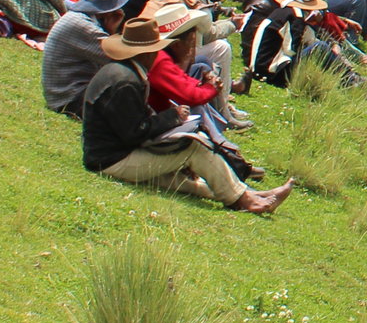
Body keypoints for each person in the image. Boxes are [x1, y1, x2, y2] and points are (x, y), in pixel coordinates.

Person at [79, 15, 290, 214]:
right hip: (112, 160)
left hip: (108, 156)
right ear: (145, 53)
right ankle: (245, 200)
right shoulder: (125, 82)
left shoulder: (123, 71)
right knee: (193, 148)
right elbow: (135, 132)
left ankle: (247, 195)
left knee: (185, 184)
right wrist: (173, 118)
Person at [43, 0, 128, 115]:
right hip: (70, 100)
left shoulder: (82, 19)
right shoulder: (83, 25)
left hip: (66, 95)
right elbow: (119, 58)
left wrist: (110, 29)